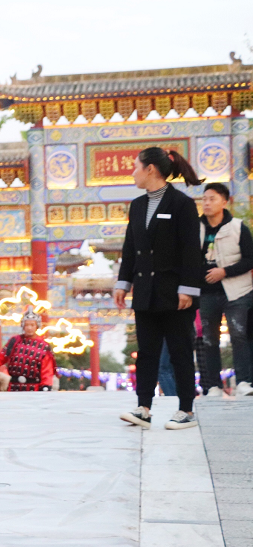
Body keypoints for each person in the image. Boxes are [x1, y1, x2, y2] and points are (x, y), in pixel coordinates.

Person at [115, 147, 204, 430]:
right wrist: (123, 282)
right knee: (147, 352)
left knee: (180, 351)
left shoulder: (182, 204)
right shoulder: (137, 205)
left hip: (176, 293)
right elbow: (131, 248)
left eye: (135, 167)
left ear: (150, 169)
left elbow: (192, 251)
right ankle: (143, 408)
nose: (132, 172)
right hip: (145, 291)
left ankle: (186, 410)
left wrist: (188, 289)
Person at [198, 182, 253, 398]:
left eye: (212, 198)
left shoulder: (239, 227)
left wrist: (224, 271)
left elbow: (250, 260)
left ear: (224, 201)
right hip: (206, 293)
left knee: (239, 335)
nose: (207, 203)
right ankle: (213, 385)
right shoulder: (195, 229)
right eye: (204, 199)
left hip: (237, 291)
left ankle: (244, 382)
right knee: (209, 340)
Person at [0, 309, 56, 392]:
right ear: (23, 326)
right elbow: (1, 358)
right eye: (27, 325)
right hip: (14, 387)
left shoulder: (44, 346)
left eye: (32, 325)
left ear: (37, 326)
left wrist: (46, 387)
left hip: (34, 389)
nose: (29, 328)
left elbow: (47, 371)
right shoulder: (14, 341)